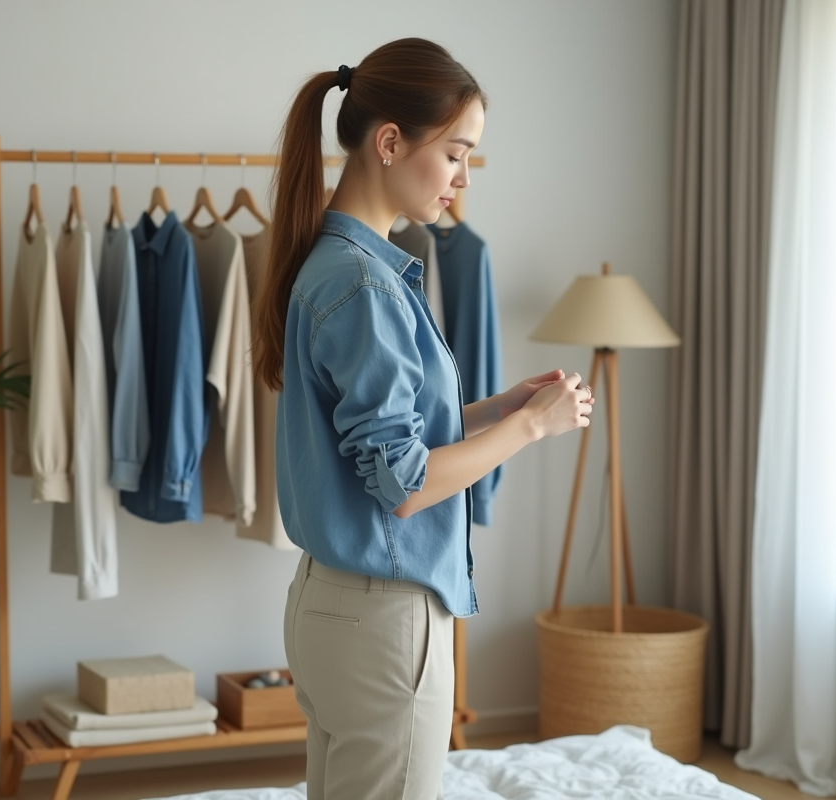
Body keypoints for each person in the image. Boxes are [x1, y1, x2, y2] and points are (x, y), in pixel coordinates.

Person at [252, 38, 593, 800]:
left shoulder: (334, 263)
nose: (463, 179)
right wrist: (532, 427)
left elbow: (379, 441)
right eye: (457, 153)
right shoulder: (366, 287)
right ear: (389, 142)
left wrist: (491, 411)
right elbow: (403, 487)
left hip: (331, 604)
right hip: (384, 622)